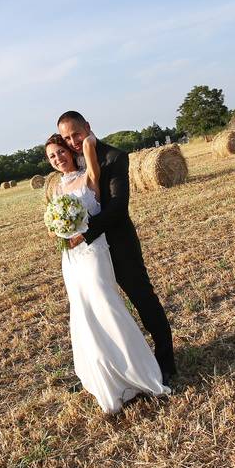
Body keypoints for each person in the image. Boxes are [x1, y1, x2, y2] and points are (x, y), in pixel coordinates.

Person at [45, 133, 170, 413]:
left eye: (61, 151)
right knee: (84, 313)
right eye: (52, 156)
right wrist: (57, 229)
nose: (58, 158)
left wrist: (87, 142)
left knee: (106, 306)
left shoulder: (89, 175)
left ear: (70, 151)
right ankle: (102, 373)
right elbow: (52, 222)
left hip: (93, 251)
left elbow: (90, 153)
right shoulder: (56, 189)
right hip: (71, 257)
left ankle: (137, 370)